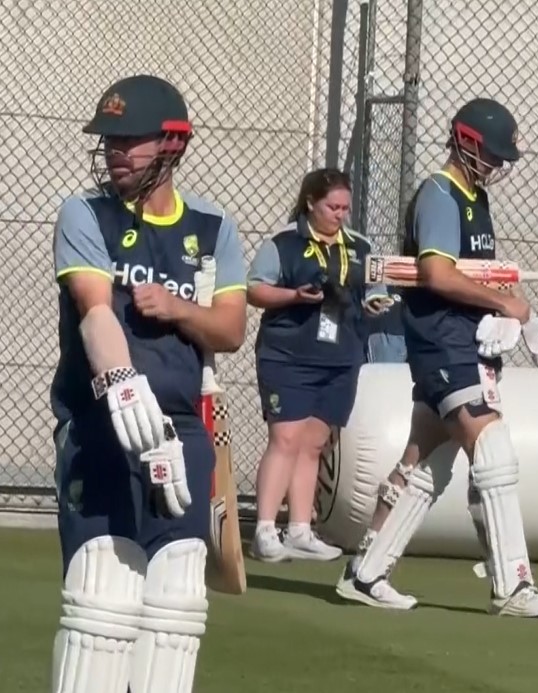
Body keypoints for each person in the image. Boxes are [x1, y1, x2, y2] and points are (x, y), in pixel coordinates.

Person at [48, 74, 247, 693]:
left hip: (184, 434)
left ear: (171, 145)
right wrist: (119, 379)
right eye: (108, 140)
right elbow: (94, 307)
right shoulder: (86, 213)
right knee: (101, 606)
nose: (113, 153)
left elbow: (232, 329)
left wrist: (180, 310)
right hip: (104, 426)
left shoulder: (214, 230)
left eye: (128, 141)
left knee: (174, 613)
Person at [335, 98, 538, 617]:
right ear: (465, 142)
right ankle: (513, 586)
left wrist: (510, 318)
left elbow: (471, 277)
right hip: (442, 342)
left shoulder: (473, 196)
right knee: (494, 450)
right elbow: (438, 273)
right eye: (491, 153)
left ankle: (365, 572)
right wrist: (507, 304)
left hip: (458, 339)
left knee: (424, 463)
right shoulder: (441, 195)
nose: (498, 164)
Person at [245, 168, 393, 563]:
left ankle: (299, 530)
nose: (340, 214)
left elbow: (378, 289)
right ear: (311, 202)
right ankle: (264, 530)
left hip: (340, 358)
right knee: (286, 439)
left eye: (345, 207)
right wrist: (293, 295)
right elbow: (255, 289)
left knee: (313, 444)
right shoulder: (283, 244)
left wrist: (376, 303)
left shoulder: (362, 247)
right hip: (288, 356)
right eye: (332, 207)